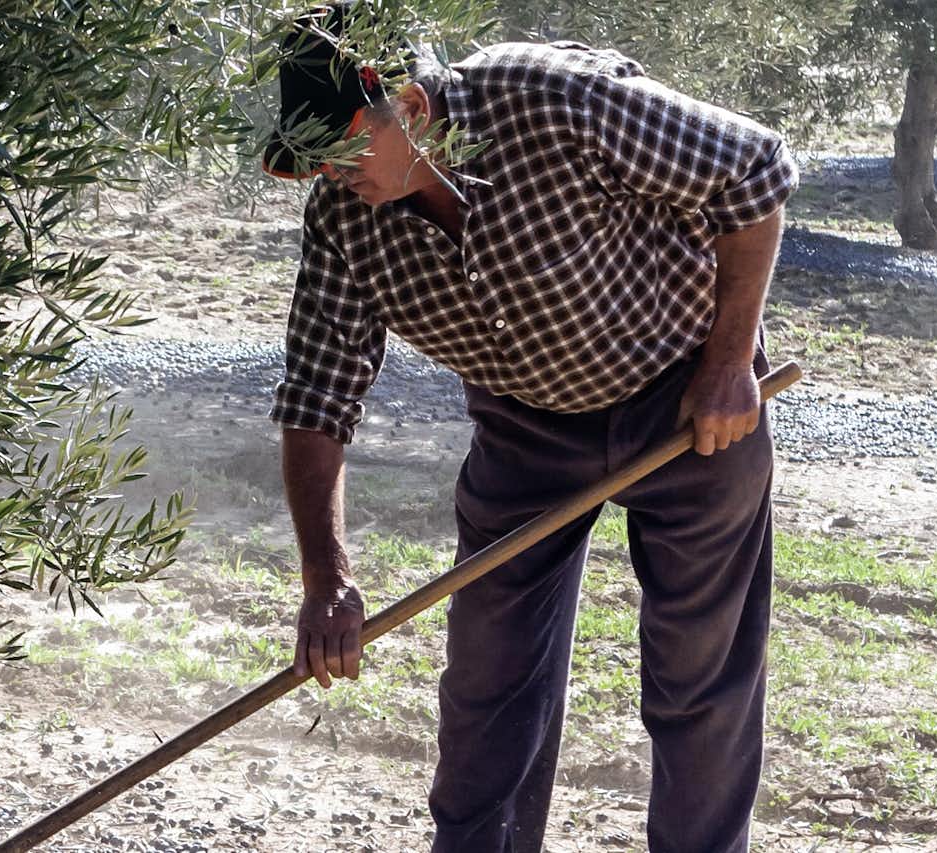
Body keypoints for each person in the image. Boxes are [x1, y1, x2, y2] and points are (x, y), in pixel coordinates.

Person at [260, 3, 795, 851]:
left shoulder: (556, 101)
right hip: (525, 428)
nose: (331, 173)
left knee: (697, 679)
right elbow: (318, 397)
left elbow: (756, 169)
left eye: (344, 145)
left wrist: (731, 363)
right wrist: (325, 577)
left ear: (415, 108)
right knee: (488, 685)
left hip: (689, 403)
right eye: (313, 156)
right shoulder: (343, 221)